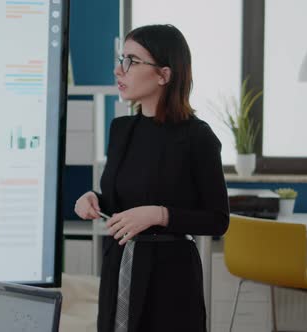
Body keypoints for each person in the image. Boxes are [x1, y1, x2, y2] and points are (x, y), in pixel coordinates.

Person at [74, 24, 229, 332]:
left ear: (164, 75)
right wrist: (92, 198)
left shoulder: (198, 137)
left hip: (171, 277)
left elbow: (217, 220)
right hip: (119, 264)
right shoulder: (121, 129)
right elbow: (123, 196)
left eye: (131, 61)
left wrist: (159, 215)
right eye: (122, 59)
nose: (119, 70)